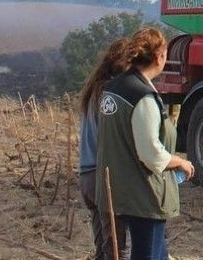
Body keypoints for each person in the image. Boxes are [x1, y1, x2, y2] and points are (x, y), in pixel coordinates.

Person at [96, 28, 194, 260]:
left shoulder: (111, 89)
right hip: (143, 194)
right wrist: (180, 161)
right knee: (148, 255)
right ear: (160, 57)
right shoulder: (142, 96)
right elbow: (150, 153)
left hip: (118, 188)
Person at [78, 39, 129, 260]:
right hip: (104, 177)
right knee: (117, 250)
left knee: (103, 248)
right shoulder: (111, 95)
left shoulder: (93, 91)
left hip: (86, 175)